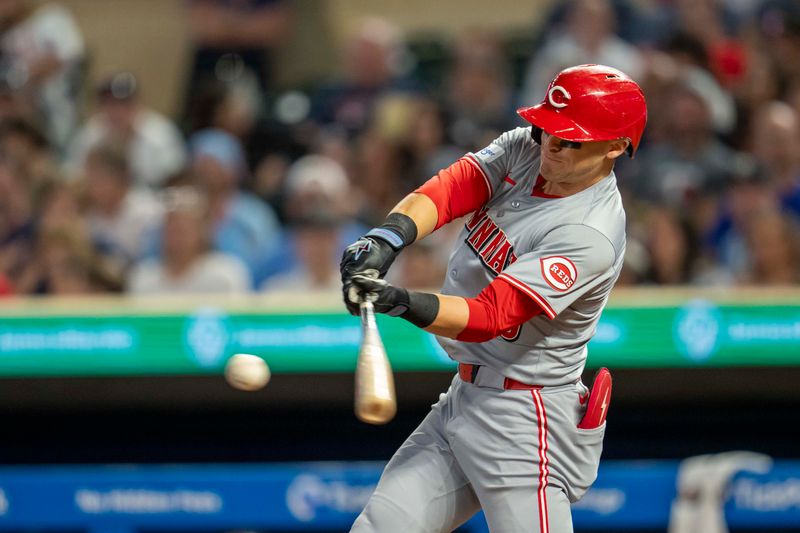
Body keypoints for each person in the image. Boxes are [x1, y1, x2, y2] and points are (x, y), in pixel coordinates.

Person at [340, 64, 647, 532]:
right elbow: (455, 186)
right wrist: (387, 237)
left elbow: (492, 315)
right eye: (549, 130)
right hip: (465, 396)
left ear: (616, 147)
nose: (552, 146)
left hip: (526, 419)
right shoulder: (526, 147)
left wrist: (398, 300)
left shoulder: (590, 233)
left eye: (572, 140)